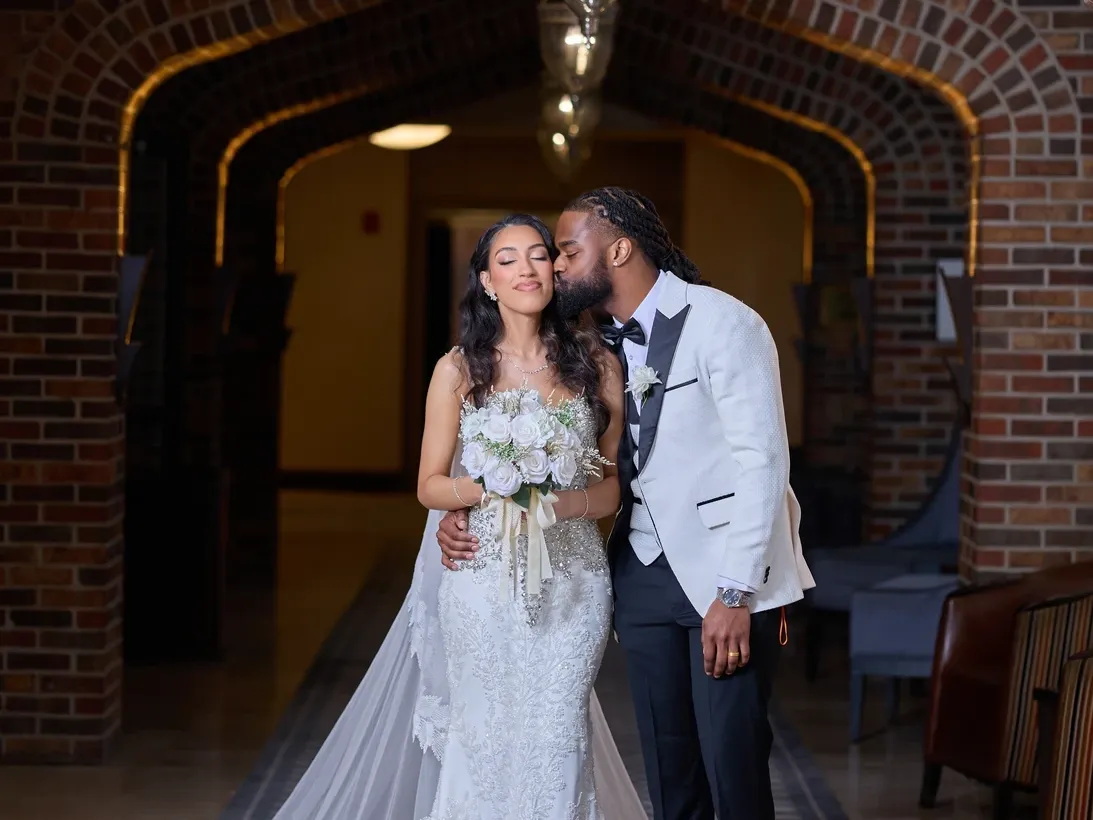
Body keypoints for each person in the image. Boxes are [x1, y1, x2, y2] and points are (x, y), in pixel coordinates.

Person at [438, 188, 815, 820]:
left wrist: (736, 592)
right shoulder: (592, 347)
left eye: (564, 251)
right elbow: (575, 457)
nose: (553, 267)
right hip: (639, 578)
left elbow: (763, 465)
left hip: (724, 582)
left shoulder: (725, 322)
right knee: (670, 775)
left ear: (618, 248)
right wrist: (476, 503)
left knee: (734, 766)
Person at [266, 213, 647, 820]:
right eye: (508, 259)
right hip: (482, 577)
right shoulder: (457, 370)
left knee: (558, 729)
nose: (527, 268)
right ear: (487, 281)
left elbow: (608, 492)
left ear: (554, 270)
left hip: (573, 579)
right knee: (484, 733)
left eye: (539, 255)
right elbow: (429, 485)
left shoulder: (595, 367)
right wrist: (497, 485)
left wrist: (557, 502)